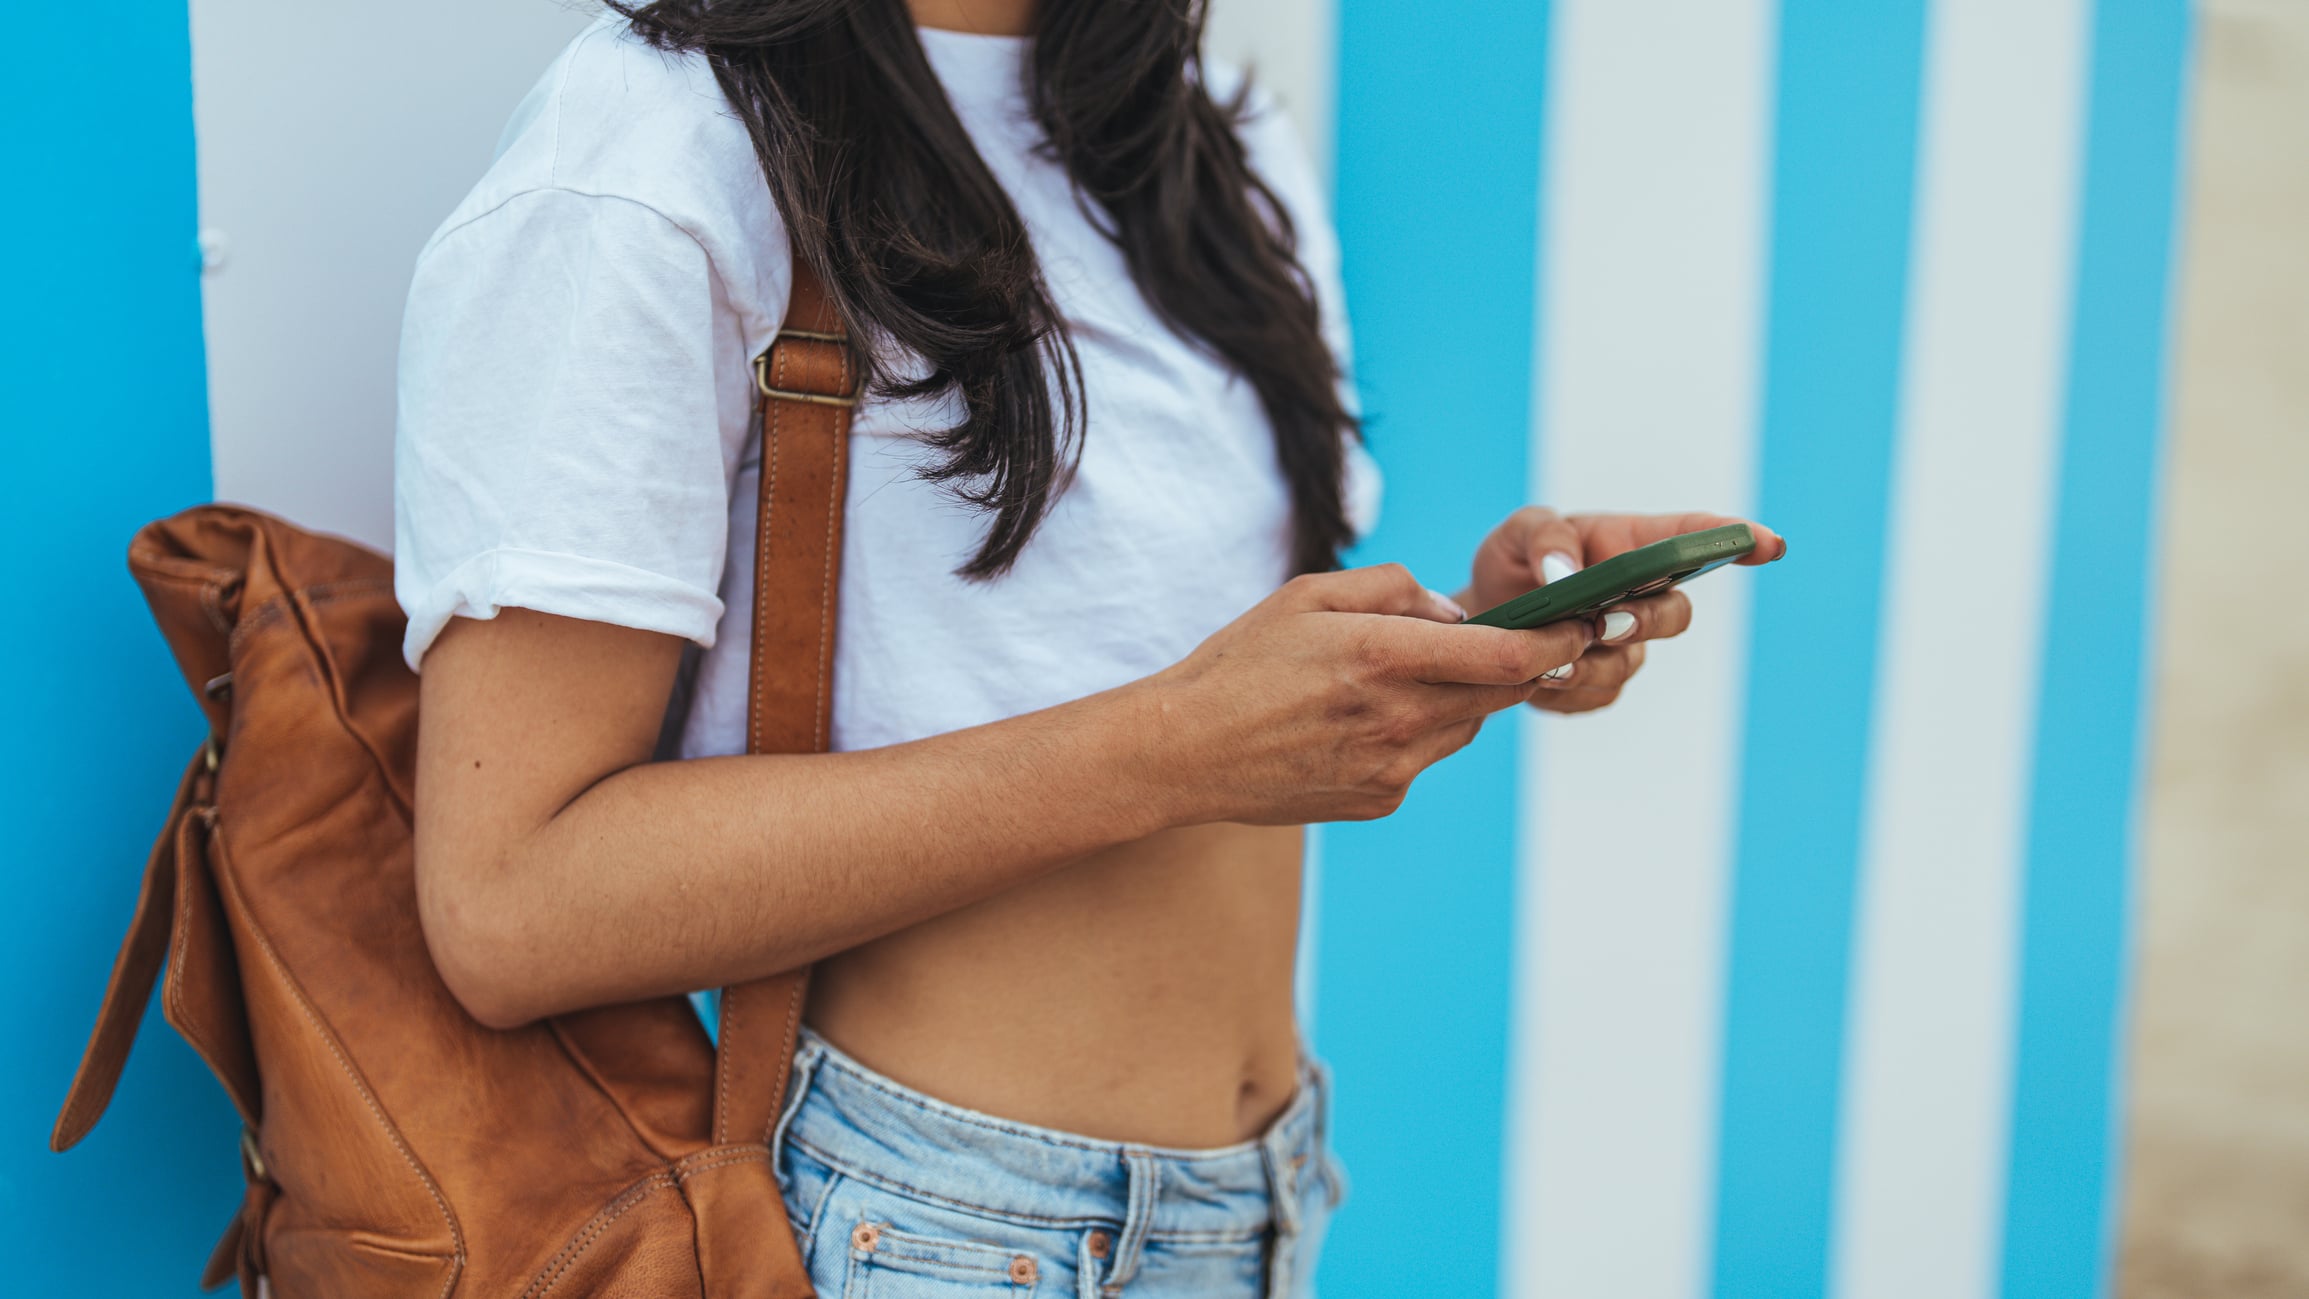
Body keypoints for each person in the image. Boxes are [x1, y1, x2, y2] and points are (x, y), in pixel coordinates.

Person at [393, 0, 1784, 1293]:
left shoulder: (1198, 132)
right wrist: (1169, 746)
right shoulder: (655, 160)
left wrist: (1477, 638)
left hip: (1264, 1189)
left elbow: (1158, 649)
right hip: (926, 1223)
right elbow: (513, 904)